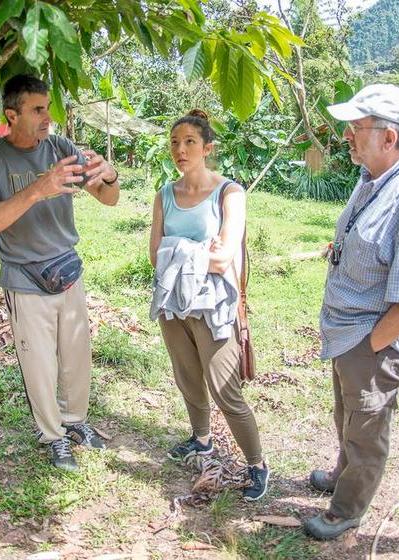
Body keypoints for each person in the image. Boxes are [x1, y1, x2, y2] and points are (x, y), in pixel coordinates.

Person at [304, 84, 399, 540]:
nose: (347, 134)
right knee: (348, 413)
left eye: (357, 127)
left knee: (366, 424)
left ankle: (345, 509)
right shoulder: (374, 179)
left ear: (389, 138)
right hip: (351, 331)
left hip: (374, 338)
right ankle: (341, 473)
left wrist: (371, 347)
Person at [0, 74, 120, 471]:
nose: (47, 118)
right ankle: (53, 437)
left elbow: (108, 199)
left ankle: (75, 422)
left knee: (76, 357)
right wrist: (39, 189)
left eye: (48, 108)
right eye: (37, 110)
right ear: (11, 115)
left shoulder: (60, 147)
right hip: (24, 277)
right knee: (39, 365)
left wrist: (109, 175)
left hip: (67, 270)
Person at [149, 109, 269, 501]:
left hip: (214, 305)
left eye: (189, 143)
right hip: (172, 301)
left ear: (207, 148)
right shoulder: (164, 195)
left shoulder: (229, 193)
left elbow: (224, 259)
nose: (180, 150)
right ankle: (201, 441)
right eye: (174, 143)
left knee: (224, 388)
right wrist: (201, 249)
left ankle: (256, 465)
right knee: (187, 378)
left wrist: (179, 249)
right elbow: (154, 254)